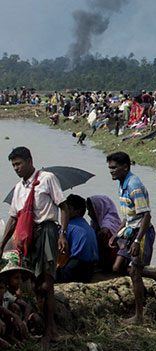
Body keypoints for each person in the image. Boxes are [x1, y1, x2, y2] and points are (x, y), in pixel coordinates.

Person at [0, 147, 69, 344]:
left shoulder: (47, 178)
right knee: (35, 285)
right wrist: (2, 244)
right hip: (28, 235)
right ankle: (49, 330)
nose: (16, 168)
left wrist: (62, 234)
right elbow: (13, 218)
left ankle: (51, 331)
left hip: (46, 230)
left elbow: (63, 207)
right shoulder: (19, 188)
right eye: (13, 165)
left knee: (46, 283)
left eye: (19, 164)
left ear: (30, 161)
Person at [107, 151, 156, 324]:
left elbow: (146, 216)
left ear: (125, 167)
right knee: (118, 267)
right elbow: (128, 216)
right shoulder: (122, 183)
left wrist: (137, 241)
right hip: (131, 229)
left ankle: (139, 316)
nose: (111, 171)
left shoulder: (134, 186)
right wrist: (116, 234)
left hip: (142, 232)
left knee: (134, 272)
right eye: (110, 167)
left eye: (114, 167)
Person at [56, 195, 99, 283]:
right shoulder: (86, 224)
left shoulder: (69, 226)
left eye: (68, 209)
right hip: (91, 268)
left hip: (77, 265)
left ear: (77, 211)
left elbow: (59, 247)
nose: (64, 212)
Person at [86, 195, 121, 272]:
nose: (88, 214)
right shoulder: (96, 222)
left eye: (90, 210)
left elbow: (105, 231)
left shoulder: (109, 219)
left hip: (114, 254)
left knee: (104, 236)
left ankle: (103, 266)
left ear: (98, 209)